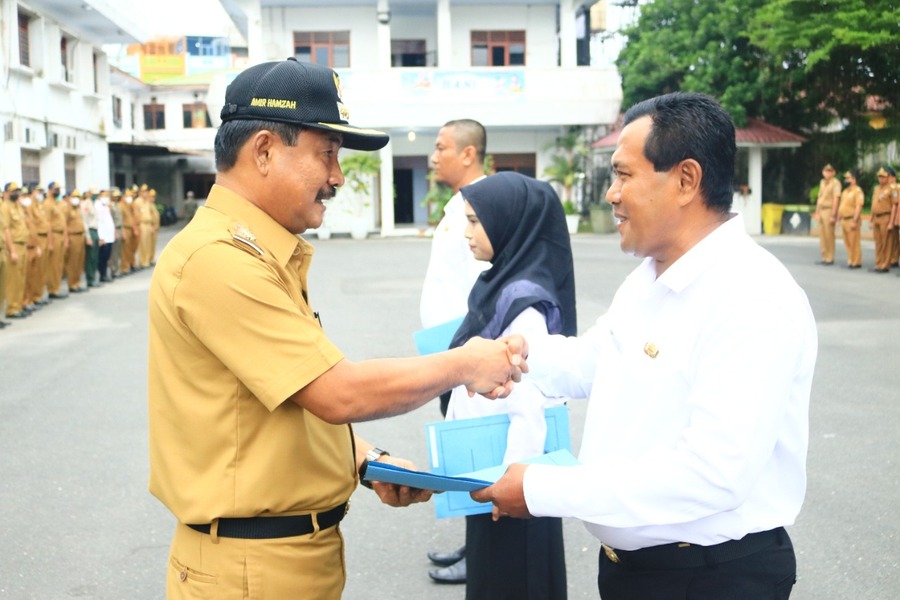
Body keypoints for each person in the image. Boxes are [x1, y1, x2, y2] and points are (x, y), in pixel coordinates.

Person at [147, 57, 527, 600]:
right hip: (250, 569)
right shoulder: (220, 260)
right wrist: (466, 363)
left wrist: (364, 460)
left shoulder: (258, 253)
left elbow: (283, 400)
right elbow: (336, 392)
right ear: (263, 150)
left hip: (281, 558)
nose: (337, 177)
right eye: (327, 153)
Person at [472, 92, 817, 600]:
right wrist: (512, 354)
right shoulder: (650, 277)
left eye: (624, 175)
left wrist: (540, 490)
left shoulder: (751, 295)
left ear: (685, 180)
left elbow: (712, 475)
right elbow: (595, 360)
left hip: (710, 578)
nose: (611, 194)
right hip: (636, 571)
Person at [449, 171, 573, 600]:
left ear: (508, 224)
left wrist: (512, 485)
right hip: (494, 470)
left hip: (508, 480)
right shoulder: (503, 279)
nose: (466, 233)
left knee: (512, 580)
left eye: (474, 222)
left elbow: (529, 403)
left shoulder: (523, 302)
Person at [420, 118, 491, 584]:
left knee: (478, 455)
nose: (433, 155)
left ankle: (482, 557)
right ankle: (473, 546)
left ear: (468, 154)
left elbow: (483, 284)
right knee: (465, 455)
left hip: (468, 352)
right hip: (448, 349)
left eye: (442, 147)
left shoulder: (484, 205)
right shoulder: (457, 204)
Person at [2, 183, 30, 318]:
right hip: (14, 245)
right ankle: (12, 308)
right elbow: (6, 229)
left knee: (21, 277)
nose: (16, 193)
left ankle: (18, 305)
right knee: (13, 279)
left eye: (17, 191)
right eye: (13, 191)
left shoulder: (18, 206)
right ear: (6, 193)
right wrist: (12, 250)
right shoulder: (5, 207)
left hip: (23, 245)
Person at [870, 167, 897, 273]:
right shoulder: (876, 189)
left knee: (887, 242)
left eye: (883, 177)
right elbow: (874, 205)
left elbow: (894, 205)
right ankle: (878, 263)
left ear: (888, 178)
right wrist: (871, 219)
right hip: (877, 217)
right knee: (878, 243)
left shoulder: (892, 188)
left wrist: (891, 222)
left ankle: (885, 265)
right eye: (879, 177)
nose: (881, 179)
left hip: (886, 216)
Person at [813, 163, 841, 265]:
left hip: (829, 209)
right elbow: (819, 198)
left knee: (829, 235)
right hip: (822, 210)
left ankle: (830, 257)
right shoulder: (822, 182)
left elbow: (836, 199)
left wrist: (834, 214)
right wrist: (817, 211)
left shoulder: (835, 183)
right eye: (826, 171)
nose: (827, 173)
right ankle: (824, 256)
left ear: (833, 173)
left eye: (829, 171)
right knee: (822, 234)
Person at [46, 182, 69, 299]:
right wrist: (49, 242)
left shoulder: (59, 203)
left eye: (59, 189)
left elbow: (63, 222)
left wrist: (65, 238)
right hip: (53, 235)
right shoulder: (47, 204)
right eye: (56, 189)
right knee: (53, 264)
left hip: (60, 235)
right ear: (50, 190)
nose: (58, 191)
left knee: (59, 263)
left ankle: (57, 287)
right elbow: (48, 224)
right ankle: (52, 289)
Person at [837, 170, 864, 269]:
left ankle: (856, 261)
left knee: (854, 242)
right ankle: (850, 260)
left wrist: (855, 220)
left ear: (854, 179)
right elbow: (842, 206)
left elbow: (858, 206)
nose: (846, 180)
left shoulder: (857, 191)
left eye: (848, 178)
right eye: (846, 178)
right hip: (844, 219)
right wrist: (839, 218)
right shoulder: (845, 191)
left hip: (852, 219)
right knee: (847, 242)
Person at [64, 190, 87, 293]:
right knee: (72, 262)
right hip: (72, 236)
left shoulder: (78, 208)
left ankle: (77, 282)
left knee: (79, 261)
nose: (76, 199)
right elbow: (64, 225)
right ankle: (72, 284)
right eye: (74, 197)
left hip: (80, 235)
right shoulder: (67, 209)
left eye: (78, 197)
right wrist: (66, 239)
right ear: (70, 197)